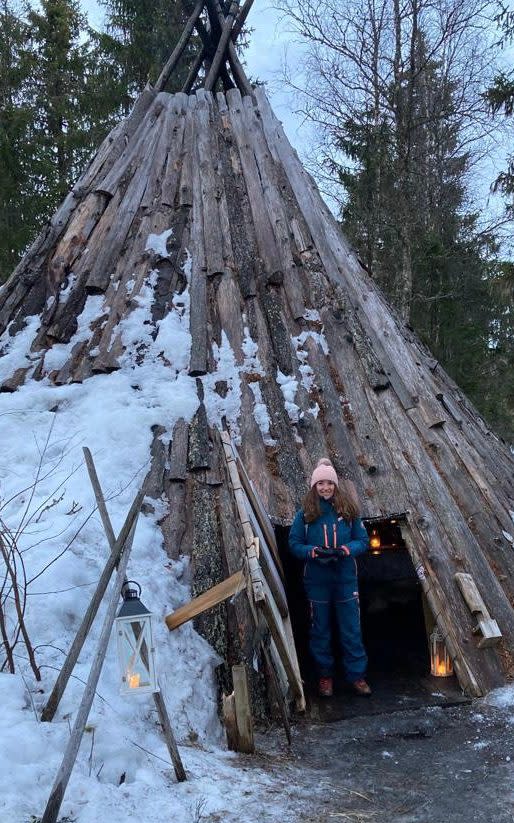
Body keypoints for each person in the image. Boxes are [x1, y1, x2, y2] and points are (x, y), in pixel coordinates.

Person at [288, 458, 371, 698]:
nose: (325, 488)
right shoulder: (305, 515)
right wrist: (313, 552)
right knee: (320, 629)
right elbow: (294, 543)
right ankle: (325, 677)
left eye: (329, 483)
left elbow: (362, 541)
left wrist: (344, 550)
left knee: (351, 629)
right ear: (314, 486)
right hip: (317, 579)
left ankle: (357, 676)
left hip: (345, 577)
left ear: (335, 485)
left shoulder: (348, 511)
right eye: (320, 483)